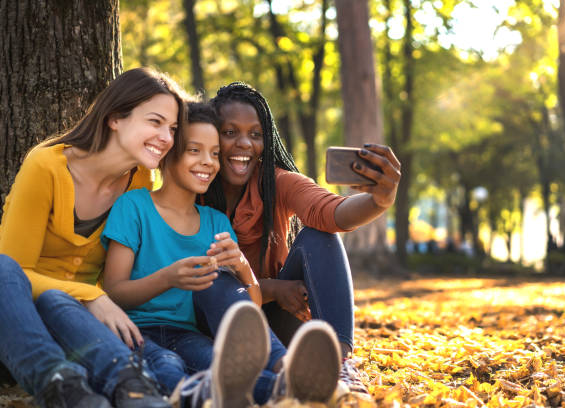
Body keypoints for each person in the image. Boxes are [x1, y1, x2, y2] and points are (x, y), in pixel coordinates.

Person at [98, 101, 341, 406]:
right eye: (194, 150)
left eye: (214, 153)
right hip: (135, 332)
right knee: (168, 368)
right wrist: (168, 278)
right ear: (167, 153)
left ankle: (290, 381)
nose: (208, 162)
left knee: (222, 367)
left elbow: (245, 307)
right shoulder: (133, 207)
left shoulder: (215, 221)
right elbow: (114, 292)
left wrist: (241, 266)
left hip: (188, 334)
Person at [0, 67, 188, 408]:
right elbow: (13, 271)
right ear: (115, 118)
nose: (167, 138)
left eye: (173, 128)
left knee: (165, 361)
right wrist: (91, 296)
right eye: (156, 122)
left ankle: (150, 395)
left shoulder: (140, 180)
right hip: (20, 324)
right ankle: (61, 388)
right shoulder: (46, 166)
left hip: (81, 323)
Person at [202, 82, 401, 395]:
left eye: (256, 134)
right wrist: (273, 288)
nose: (245, 144)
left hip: (279, 320)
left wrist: (380, 201)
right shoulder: (194, 188)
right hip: (216, 321)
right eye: (230, 133)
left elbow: (332, 212)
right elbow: (202, 280)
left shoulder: (276, 182)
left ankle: (340, 364)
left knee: (319, 237)